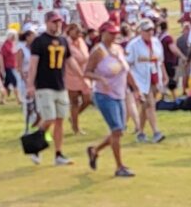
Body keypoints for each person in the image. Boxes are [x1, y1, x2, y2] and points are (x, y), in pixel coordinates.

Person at [84, 21, 138, 178]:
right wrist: (100, 78)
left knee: (119, 131)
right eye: (110, 33)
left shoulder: (118, 49)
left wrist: (135, 88)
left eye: (115, 33)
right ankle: (119, 166)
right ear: (103, 33)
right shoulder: (98, 52)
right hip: (104, 95)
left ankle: (95, 150)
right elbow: (87, 72)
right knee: (116, 130)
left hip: (120, 93)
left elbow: (126, 71)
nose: (114, 36)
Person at [27, 10, 72, 166]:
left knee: (60, 120)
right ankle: (34, 146)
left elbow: (70, 61)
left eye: (59, 21)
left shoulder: (63, 41)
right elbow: (33, 65)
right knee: (49, 119)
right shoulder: (39, 41)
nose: (57, 24)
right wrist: (30, 84)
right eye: (54, 21)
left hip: (60, 84)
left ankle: (58, 153)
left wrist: (83, 77)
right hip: (44, 85)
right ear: (47, 23)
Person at [65, 22, 93, 135]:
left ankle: (73, 118)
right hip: (71, 75)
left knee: (88, 99)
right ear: (69, 31)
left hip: (84, 73)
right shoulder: (66, 43)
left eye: (79, 32)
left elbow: (86, 55)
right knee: (75, 102)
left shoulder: (81, 41)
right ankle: (76, 127)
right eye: (76, 31)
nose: (78, 33)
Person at [159, 20, 181, 99]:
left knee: (165, 79)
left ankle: (162, 97)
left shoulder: (159, 37)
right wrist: (182, 56)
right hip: (169, 61)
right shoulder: (168, 38)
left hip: (163, 61)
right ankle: (175, 97)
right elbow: (173, 49)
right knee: (170, 79)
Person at [0, 28, 20, 104]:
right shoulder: (5, 45)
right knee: (15, 82)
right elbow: (2, 57)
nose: (13, 37)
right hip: (8, 66)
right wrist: (2, 68)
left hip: (13, 65)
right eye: (12, 35)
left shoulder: (13, 44)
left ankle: (2, 99)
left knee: (6, 84)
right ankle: (18, 99)